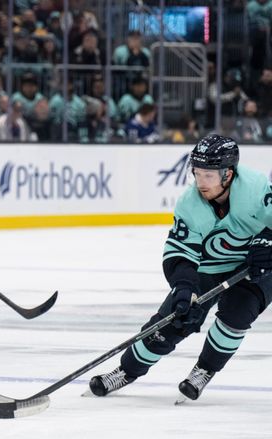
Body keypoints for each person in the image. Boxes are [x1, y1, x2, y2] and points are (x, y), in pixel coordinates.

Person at [89, 135, 272, 402]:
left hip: (256, 268)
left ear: (228, 174)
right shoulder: (189, 203)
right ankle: (126, 370)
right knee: (174, 319)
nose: (200, 182)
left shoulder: (256, 188)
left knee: (237, 315)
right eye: (197, 173)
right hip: (210, 266)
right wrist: (184, 287)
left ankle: (204, 370)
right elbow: (180, 252)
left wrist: (268, 242)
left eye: (208, 175)